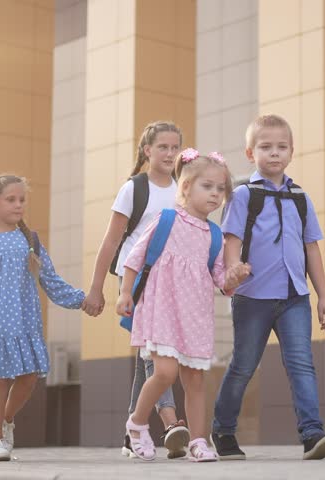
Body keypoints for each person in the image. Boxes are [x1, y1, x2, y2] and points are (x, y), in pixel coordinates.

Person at [211, 114, 325, 460]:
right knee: (243, 366)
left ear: (291, 152)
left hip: (295, 297)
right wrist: (233, 271)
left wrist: (324, 297)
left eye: (281, 147)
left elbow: (311, 248)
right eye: (266, 147)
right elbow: (231, 240)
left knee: (302, 364)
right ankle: (223, 430)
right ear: (250, 153)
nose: (274, 153)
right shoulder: (242, 195)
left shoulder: (301, 198)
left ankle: (312, 434)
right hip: (252, 297)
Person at [116, 148, 251, 462]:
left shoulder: (214, 234)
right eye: (208, 186)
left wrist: (234, 276)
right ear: (187, 187)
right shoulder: (166, 220)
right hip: (162, 309)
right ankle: (137, 423)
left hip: (195, 316)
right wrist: (124, 293)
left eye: (221, 189)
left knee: (195, 381)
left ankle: (199, 441)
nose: (216, 194)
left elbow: (220, 280)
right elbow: (135, 257)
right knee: (164, 373)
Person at [0, 175, 86, 461]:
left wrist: (82, 300)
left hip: (26, 323)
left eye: (22, 200)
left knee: (29, 378)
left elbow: (50, 280)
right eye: (11, 199)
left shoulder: (30, 241)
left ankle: (6, 419)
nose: (18, 205)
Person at [82, 121, 190, 458]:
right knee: (152, 350)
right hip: (136, 280)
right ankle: (170, 422)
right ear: (147, 151)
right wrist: (97, 288)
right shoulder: (134, 188)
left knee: (149, 352)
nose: (169, 154)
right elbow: (111, 241)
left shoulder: (182, 188)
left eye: (175, 148)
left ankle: (133, 431)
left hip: (169, 282)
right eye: (162, 147)